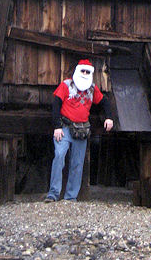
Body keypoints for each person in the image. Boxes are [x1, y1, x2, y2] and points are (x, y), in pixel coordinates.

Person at [44, 59, 113, 202]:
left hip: (81, 130)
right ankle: (53, 194)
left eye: (88, 72)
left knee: (77, 163)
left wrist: (109, 117)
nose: (85, 73)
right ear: (77, 71)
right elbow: (56, 104)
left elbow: (105, 102)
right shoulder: (66, 85)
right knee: (59, 156)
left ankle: (71, 197)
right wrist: (57, 126)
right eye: (83, 71)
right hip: (64, 127)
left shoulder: (92, 88)